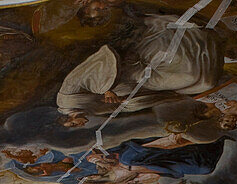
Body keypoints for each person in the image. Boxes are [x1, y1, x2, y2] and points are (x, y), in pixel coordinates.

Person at [56, 14, 221, 116]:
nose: (79, 125)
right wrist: (125, 102)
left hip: (128, 71)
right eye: (75, 128)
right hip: (140, 86)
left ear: (63, 120)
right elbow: (120, 108)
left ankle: (197, 39)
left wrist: (105, 89)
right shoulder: (91, 111)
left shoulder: (66, 98)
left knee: (189, 75)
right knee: (204, 83)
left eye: (71, 124)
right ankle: (212, 48)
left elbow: (86, 72)